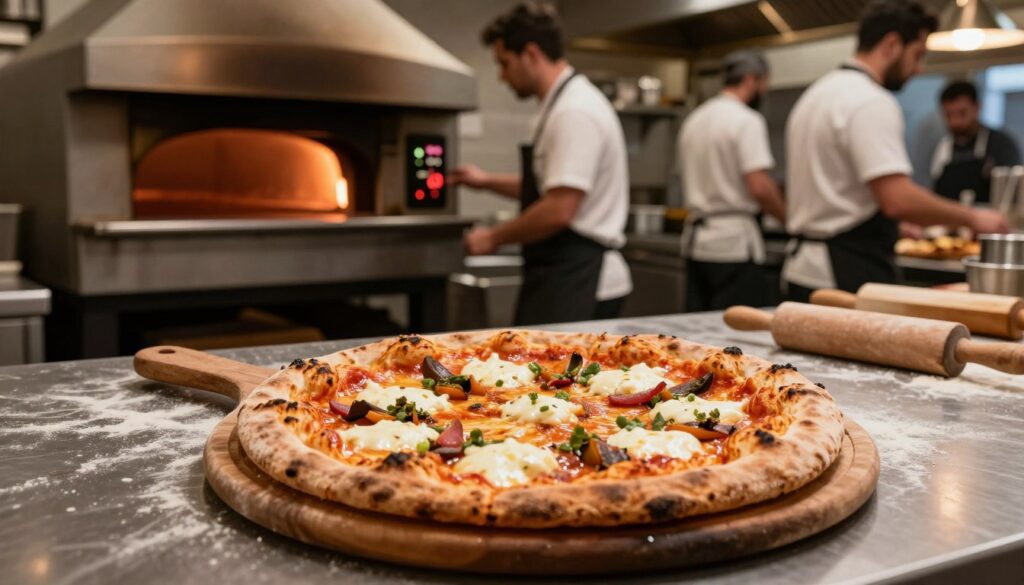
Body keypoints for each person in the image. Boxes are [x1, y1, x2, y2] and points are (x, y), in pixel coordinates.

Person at [782, 0, 1008, 301]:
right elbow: (897, 200)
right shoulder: (871, 100)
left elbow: (837, 191)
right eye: (917, 55)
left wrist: (894, 226)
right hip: (844, 273)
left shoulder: (817, 94)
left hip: (801, 268)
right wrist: (972, 217)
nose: (918, 69)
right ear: (892, 44)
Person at [452, 2, 631, 325]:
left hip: (581, 278)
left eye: (505, 63)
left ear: (531, 53)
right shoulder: (560, 105)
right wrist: (485, 180)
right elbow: (553, 184)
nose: (503, 77)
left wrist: (492, 237)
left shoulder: (574, 111)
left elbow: (560, 208)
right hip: (561, 272)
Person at [678, 50, 784, 311]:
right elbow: (759, 186)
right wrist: (788, 218)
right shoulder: (747, 120)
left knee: (697, 333)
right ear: (750, 80)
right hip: (732, 245)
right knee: (734, 338)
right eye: (764, 83)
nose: (764, 90)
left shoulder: (695, 119)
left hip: (696, 242)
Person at [930, 80, 1022, 204]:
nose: (955, 122)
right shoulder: (943, 146)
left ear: (977, 108)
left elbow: (1013, 193)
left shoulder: (1001, 145)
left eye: (962, 114)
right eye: (949, 115)